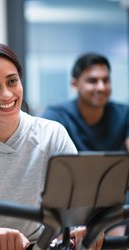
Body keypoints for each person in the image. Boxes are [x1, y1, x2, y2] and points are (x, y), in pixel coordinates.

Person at [0, 43, 104, 250]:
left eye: (12, 81)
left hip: (35, 244)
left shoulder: (52, 134)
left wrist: (85, 225)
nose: (6, 94)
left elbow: (79, 201)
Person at [41, 53, 129, 236]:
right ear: (75, 84)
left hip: (112, 204)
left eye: (106, 80)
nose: (101, 87)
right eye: (92, 81)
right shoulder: (57, 115)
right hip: (69, 203)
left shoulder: (124, 113)